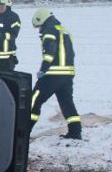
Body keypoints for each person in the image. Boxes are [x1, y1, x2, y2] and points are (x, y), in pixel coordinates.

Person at [29, 8, 81, 140]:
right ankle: (75, 132)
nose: (39, 30)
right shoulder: (64, 30)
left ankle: (23, 131)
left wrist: (43, 70)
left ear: (42, 21)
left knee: (33, 101)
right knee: (67, 103)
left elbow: (49, 53)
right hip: (68, 74)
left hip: (52, 74)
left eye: (39, 26)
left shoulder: (49, 31)